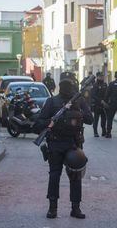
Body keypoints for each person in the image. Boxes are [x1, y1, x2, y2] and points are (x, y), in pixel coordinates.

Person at [34, 72, 93, 219]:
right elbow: (38, 124)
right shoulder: (52, 102)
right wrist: (51, 122)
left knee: (74, 176)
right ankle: (53, 208)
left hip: (73, 144)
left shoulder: (78, 102)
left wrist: (76, 111)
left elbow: (90, 119)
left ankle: (75, 208)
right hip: (56, 143)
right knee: (56, 175)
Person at [91, 72, 108, 137]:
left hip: (104, 104)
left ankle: (104, 131)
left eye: (102, 76)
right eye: (100, 76)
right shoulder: (95, 85)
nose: (102, 77)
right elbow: (93, 95)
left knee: (104, 119)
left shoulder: (105, 84)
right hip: (97, 104)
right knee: (96, 119)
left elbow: (107, 93)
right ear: (97, 77)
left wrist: (106, 101)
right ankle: (95, 132)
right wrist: (101, 101)